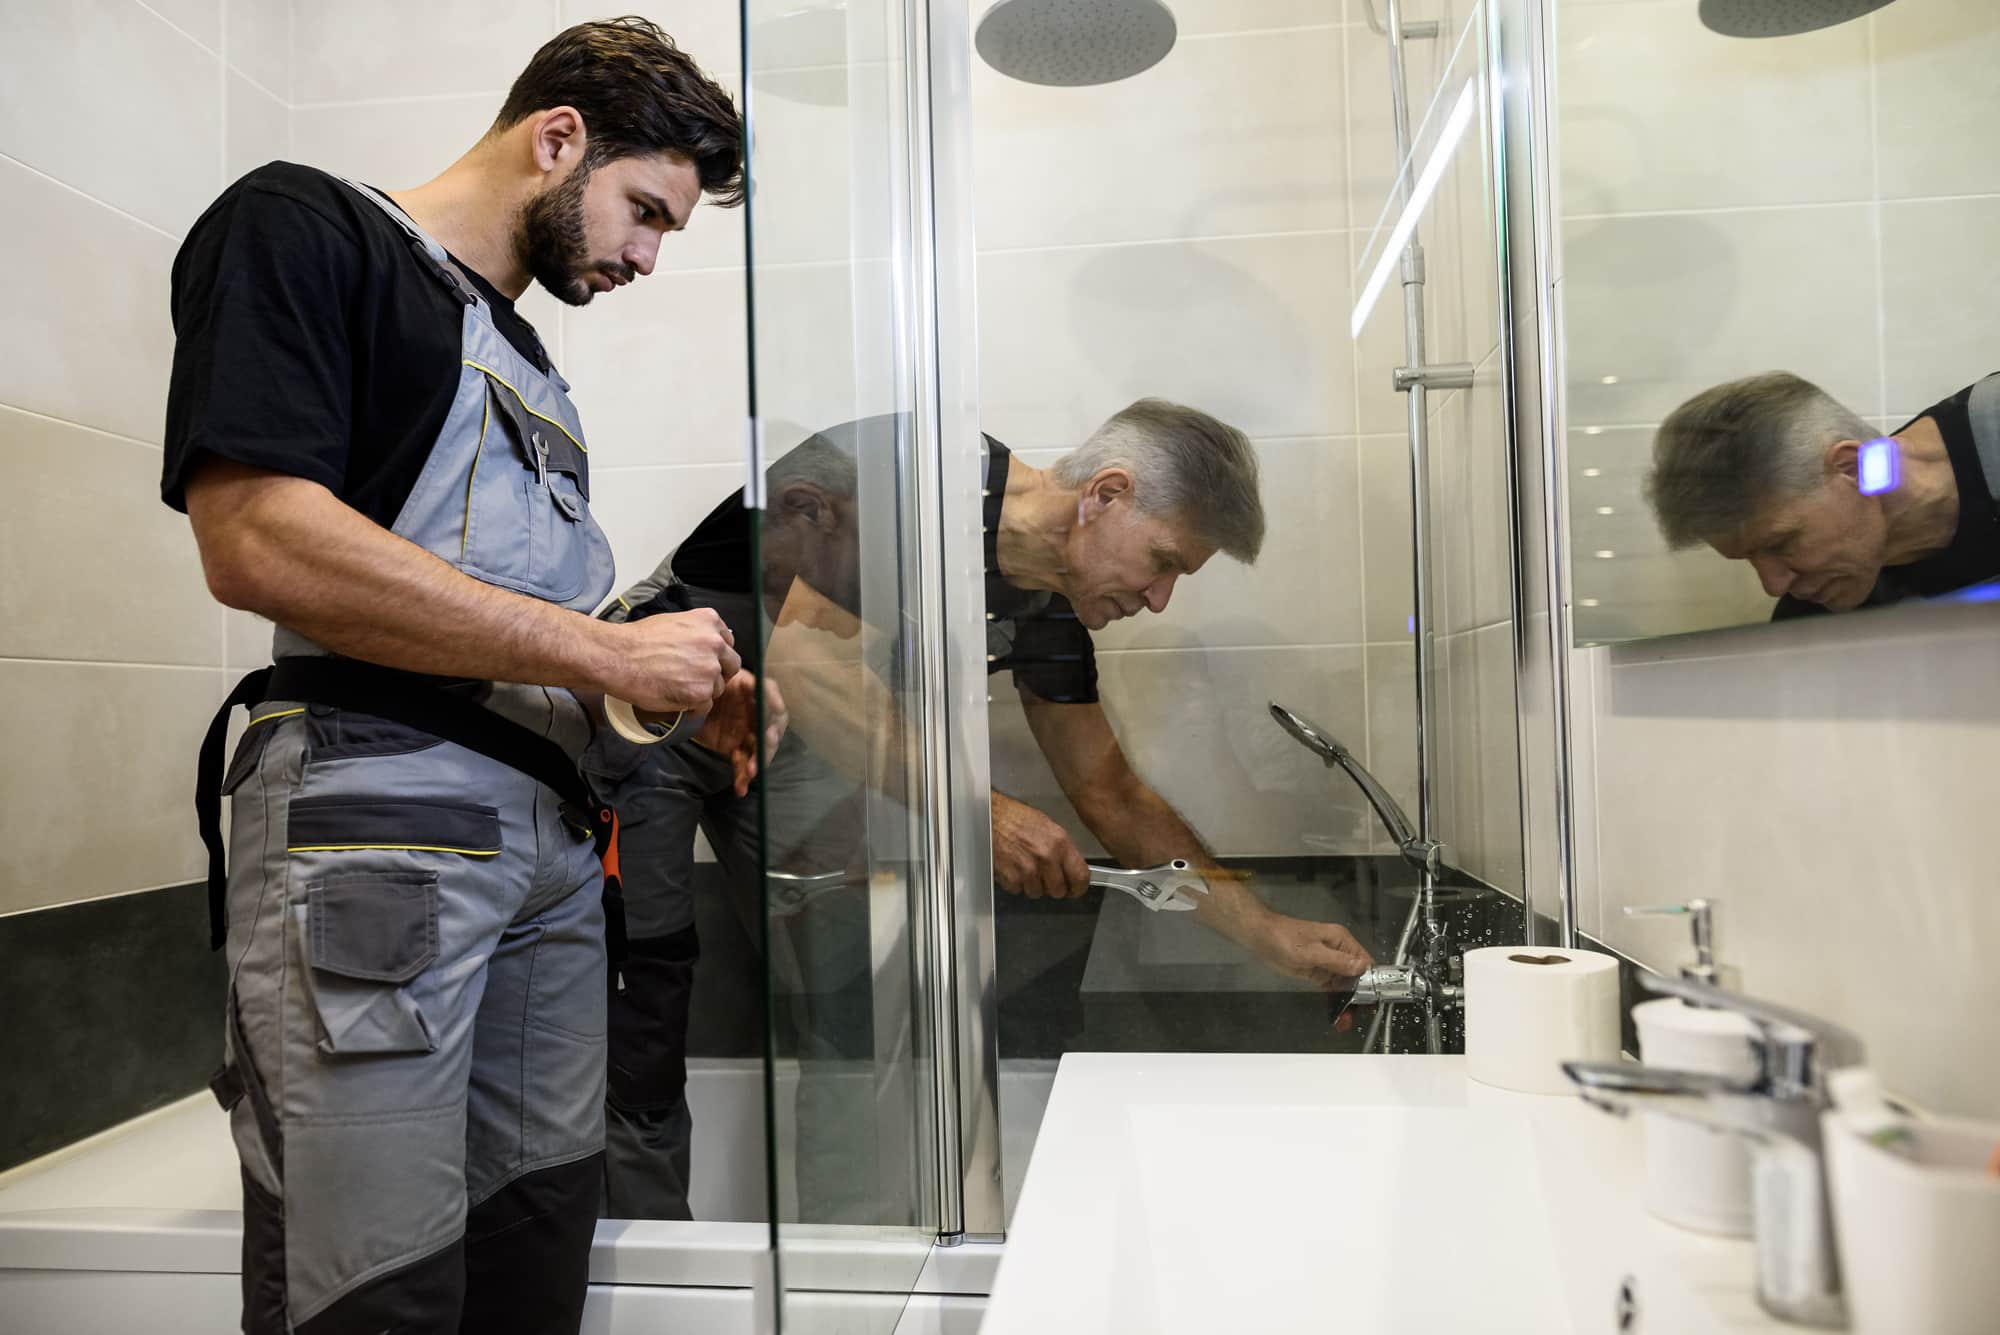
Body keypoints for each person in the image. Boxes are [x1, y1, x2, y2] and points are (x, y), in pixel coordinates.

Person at [163, 20, 760, 1333]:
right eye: (644, 210)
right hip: (379, 836)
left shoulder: (534, 366)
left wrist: (653, 683)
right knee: (376, 1288)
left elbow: (500, 621)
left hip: (548, 856)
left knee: (536, 1246)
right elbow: (255, 533)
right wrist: (604, 646)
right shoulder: (308, 228)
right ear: (558, 139)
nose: (648, 257)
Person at [584, 405, 1378, 1220]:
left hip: (792, 733)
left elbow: (1112, 793)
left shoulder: (1051, 602)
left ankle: (857, 1276)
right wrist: (982, 812)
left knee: (855, 999)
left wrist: (1267, 931)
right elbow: (814, 670)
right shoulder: (914, 476)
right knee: (643, 991)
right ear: (1106, 493)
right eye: (1164, 560)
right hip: (657, 706)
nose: (1161, 598)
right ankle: (642, 1266)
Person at [1646, 371, 2000, 618]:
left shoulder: (1992, 425)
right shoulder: (1814, 615)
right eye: (1748, 559)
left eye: (1779, 543)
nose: (1773, 584)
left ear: (1851, 468)